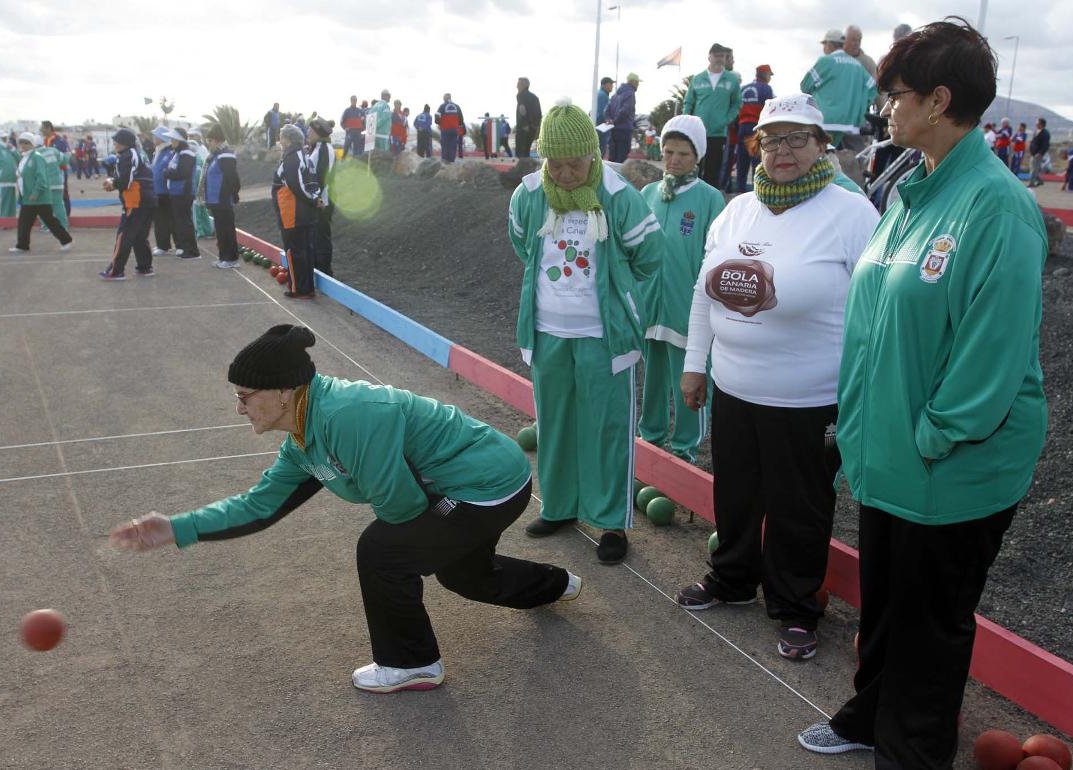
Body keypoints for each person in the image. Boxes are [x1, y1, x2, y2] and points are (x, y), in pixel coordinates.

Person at [797, 21, 1047, 767]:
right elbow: (877, 318)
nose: (885, 109)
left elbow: (990, 357)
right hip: (890, 451)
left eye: (896, 95)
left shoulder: (996, 206)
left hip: (951, 463)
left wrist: (931, 436)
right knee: (888, 607)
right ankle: (870, 715)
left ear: (939, 100)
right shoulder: (910, 188)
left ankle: (911, 750)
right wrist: (865, 425)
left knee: (930, 621)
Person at [108, 324, 581, 694]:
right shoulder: (303, 437)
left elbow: (402, 506)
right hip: (471, 486)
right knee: (463, 575)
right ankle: (557, 584)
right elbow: (262, 505)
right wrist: (177, 528)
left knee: (382, 550)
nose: (239, 409)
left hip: (487, 484)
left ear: (283, 391)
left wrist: (419, 536)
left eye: (243, 397)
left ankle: (412, 664)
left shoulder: (347, 416)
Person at [675, 94, 879, 662]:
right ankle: (733, 578)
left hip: (810, 398)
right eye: (772, 140)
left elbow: (877, 309)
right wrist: (696, 364)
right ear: (756, 147)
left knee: (800, 506)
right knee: (736, 491)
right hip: (734, 386)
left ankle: (795, 606)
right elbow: (702, 291)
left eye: (796, 138)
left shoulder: (851, 213)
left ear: (821, 146)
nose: (783, 150)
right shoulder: (737, 209)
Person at [507, 100, 664, 565]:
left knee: (608, 427)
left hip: (604, 335)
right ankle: (560, 507)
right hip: (548, 331)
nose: (566, 172)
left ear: (592, 155)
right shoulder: (530, 192)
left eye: (575, 162)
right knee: (554, 422)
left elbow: (649, 254)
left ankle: (611, 520)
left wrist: (617, 289)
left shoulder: (618, 194)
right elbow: (522, 244)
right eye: (556, 163)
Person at [637, 115, 726, 464]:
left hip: (687, 310)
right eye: (668, 151)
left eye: (683, 154)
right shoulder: (648, 194)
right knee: (654, 378)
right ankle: (651, 439)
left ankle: (685, 448)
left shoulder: (709, 199)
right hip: (650, 307)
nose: (673, 160)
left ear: (698, 156)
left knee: (688, 381)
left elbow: (716, 257)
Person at [800, 30, 878, 149]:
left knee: (822, 161)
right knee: (852, 163)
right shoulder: (857, 65)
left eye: (824, 44)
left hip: (825, 123)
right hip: (852, 125)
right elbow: (873, 89)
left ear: (829, 45)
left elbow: (805, 86)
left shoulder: (825, 62)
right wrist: (861, 106)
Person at [99, 128, 156, 280]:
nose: (115, 144)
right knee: (139, 236)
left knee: (124, 235)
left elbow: (125, 180)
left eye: (117, 141)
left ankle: (116, 271)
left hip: (136, 200)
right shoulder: (139, 154)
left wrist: (112, 183)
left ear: (125, 143)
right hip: (148, 198)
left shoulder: (127, 155)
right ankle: (145, 267)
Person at [683, 44, 741, 190]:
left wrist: (726, 119)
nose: (719, 59)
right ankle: (690, 193)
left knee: (713, 168)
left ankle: (710, 199)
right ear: (709, 57)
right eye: (716, 55)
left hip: (718, 132)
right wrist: (686, 122)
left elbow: (737, 104)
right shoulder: (697, 79)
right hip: (697, 131)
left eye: (722, 56)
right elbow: (688, 102)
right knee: (694, 165)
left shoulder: (732, 80)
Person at [272, 124, 319, 299]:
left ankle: (299, 289)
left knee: (295, 252)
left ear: (289, 139)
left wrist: (313, 199)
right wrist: (315, 199)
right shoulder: (306, 156)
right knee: (305, 251)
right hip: (303, 214)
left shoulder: (293, 157)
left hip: (292, 215)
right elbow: (314, 184)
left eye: (282, 137)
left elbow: (296, 185)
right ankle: (307, 288)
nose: (280, 140)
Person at [10, 132, 73, 253]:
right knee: (24, 222)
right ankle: (22, 245)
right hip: (28, 198)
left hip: (39, 197)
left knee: (50, 221)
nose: (23, 145)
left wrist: (36, 192)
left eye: (26, 143)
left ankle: (66, 240)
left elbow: (41, 177)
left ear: (32, 144)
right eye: (21, 142)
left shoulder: (37, 157)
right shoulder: (25, 157)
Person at [204, 125, 241, 270]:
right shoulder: (215, 155)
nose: (209, 144)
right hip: (215, 200)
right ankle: (223, 257)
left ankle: (231, 259)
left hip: (223, 199)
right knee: (220, 229)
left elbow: (232, 178)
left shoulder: (226, 155)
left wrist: (233, 194)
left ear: (217, 140)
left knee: (227, 229)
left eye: (210, 141)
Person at [735, 64, 775, 192]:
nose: (770, 78)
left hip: (741, 126)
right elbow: (769, 110)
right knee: (756, 160)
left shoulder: (743, 88)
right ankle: (756, 190)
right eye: (769, 75)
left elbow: (736, 108)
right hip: (756, 127)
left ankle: (739, 189)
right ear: (764, 75)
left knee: (742, 160)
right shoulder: (766, 88)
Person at [164, 127, 201, 258]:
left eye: (173, 139)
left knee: (185, 222)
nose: (171, 141)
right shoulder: (178, 153)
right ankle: (185, 248)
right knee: (180, 222)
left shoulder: (187, 153)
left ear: (179, 140)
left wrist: (166, 173)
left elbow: (182, 173)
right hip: (176, 192)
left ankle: (192, 251)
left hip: (183, 193)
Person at [307, 117, 336, 280]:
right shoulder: (318, 148)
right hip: (319, 201)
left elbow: (321, 177)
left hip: (322, 202)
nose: (308, 133)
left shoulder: (323, 149)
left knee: (321, 238)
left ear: (318, 133)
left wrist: (316, 198)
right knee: (317, 236)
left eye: (311, 131)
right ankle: (318, 269)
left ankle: (325, 273)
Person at [34, 135, 71, 230]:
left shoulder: (34, 155)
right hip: (58, 183)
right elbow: (65, 159)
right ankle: (63, 226)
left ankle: (46, 227)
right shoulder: (53, 150)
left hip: (44, 185)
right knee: (59, 205)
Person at [604, 73, 642, 163]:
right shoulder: (630, 93)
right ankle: (617, 177)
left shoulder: (615, 94)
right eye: (637, 82)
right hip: (624, 130)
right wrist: (615, 121)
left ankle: (610, 176)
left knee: (612, 157)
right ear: (633, 82)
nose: (638, 85)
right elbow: (625, 111)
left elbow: (606, 110)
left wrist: (609, 120)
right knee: (621, 158)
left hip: (613, 130)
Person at [150, 128, 175, 255]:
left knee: (162, 220)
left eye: (155, 135)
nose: (153, 137)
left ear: (162, 137)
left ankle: (164, 246)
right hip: (156, 191)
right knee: (159, 219)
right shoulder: (157, 152)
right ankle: (163, 244)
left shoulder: (169, 152)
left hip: (165, 191)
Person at [40, 121, 72, 220]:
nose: (41, 130)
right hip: (48, 173)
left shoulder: (60, 140)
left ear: (48, 128)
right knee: (49, 193)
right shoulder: (44, 141)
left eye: (42, 128)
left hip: (60, 171)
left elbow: (67, 155)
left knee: (62, 193)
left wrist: (58, 166)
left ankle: (66, 215)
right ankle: (53, 216)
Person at [187, 128, 215, 240]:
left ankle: (201, 231)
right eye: (189, 136)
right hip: (199, 189)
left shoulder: (201, 152)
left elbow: (202, 172)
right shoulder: (195, 156)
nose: (190, 138)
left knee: (198, 212)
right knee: (201, 211)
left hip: (199, 190)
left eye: (193, 135)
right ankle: (205, 230)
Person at [515, 77, 542, 159]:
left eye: (518, 84)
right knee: (526, 151)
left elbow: (522, 110)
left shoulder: (521, 95)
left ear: (523, 85)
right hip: (533, 127)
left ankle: (522, 170)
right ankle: (527, 168)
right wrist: (536, 126)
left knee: (520, 152)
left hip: (524, 127)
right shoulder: (534, 97)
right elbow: (539, 113)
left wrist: (524, 125)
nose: (517, 86)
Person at [435, 93, 464, 163]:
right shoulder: (457, 106)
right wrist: (457, 124)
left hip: (445, 129)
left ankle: (445, 161)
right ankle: (451, 161)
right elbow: (461, 119)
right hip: (454, 129)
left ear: (444, 98)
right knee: (453, 146)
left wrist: (439, 123)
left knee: (445, 145)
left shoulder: (442, 106)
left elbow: (437, 116)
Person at [1027, 117, 1050, 188]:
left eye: (1037, 123)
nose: (1036, 124)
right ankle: (1039, 180)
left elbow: (1045, 145)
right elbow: (1033, 142)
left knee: (1034, 169)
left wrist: (1040, 153)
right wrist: (1030, 150)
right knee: (1032, 168)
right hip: (1033, 153)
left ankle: (1031, 183)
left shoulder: (1045, 133)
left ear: (1041, 124)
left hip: (1038, 154)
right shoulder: (1036, 131)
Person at [596, 77, 615, 157]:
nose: (612, 86)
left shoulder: (599, 94)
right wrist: (608, 120)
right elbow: (603, 112)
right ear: (604, 85)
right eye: (610, 84)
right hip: (602, 127)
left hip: (598, 126)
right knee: (600, 150)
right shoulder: (603, 95)